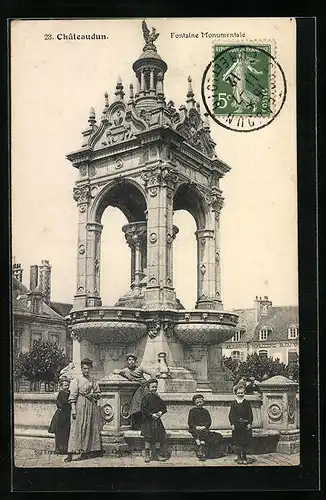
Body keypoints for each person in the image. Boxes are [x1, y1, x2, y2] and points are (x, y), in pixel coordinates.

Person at [65, 358, 103, 462]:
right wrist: (73, 410)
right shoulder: (76, 380)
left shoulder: (93, 380)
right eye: (84, 368)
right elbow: (72, 396)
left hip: (90, 405)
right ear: (81, 368)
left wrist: (93, 395)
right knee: (77, 427)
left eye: (88, 368)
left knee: (89, 427)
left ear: (90, 369)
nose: (86, 370)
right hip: (79, 405)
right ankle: (72, 452)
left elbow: (98, 394)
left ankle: (87, 450)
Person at [117, 353, 155, 429]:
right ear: (127, 361)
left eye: (133, 360)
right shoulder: (126, 370)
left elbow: (152, 373)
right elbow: (116, 371)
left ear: (135, 361)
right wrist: (125, 376)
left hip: (144, 389)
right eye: (129, 360)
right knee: (135, 407)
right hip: (136, 390)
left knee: (146, 406)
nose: (131, 362)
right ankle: (138, 425)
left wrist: (152, 384)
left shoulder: (140, 368)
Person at [188, 394, 224, 461]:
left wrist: (205, 426)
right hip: (195, 428)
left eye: (200, 402)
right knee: (197, 432)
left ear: (203, 402)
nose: (199, 404)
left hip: (203, 428)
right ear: (194, 403)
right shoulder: (192, 411)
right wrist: (196, 426)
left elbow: (209, 421)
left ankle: (202, 449)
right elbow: (190, 421)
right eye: (197, 402)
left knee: (207, 433)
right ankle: (199, 444)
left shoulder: (205, 411)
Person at [140, 378, 168, 463]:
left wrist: (160, 412)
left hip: (157, 421)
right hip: (148, 421)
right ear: (148, 388)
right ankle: (147, 454)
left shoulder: (157, 398)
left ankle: (157, 454)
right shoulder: (145, 398)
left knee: (159, 437)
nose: (154, 389)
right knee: (148, 438)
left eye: (155, 387)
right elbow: (143, 410)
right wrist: (151, 415)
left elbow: (164, 407)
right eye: (152, 387)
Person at [229, 383, 253, 465]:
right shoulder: (234, 403)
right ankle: (239, 456)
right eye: (238, 393)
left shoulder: (246, 403)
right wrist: (232, 424)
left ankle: (244, 456)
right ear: (236, 393)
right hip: (237, 426)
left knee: (245, 442)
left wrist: (249, 423)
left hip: (245, 425)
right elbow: (231, 415)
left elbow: (250, 414)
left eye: (242, 393)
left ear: (244, 393)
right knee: (237, 441)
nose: (240, 394)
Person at [48, 377, 71, 455]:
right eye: (65, 385)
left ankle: (64, 448)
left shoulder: (69, 393)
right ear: (61, 386)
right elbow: (63, 403)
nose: (67, 387)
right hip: (61, 415)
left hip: (66, 415)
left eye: (68, 385)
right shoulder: (61, 393)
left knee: (66, 432)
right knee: (60, 432)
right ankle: (59, 449)